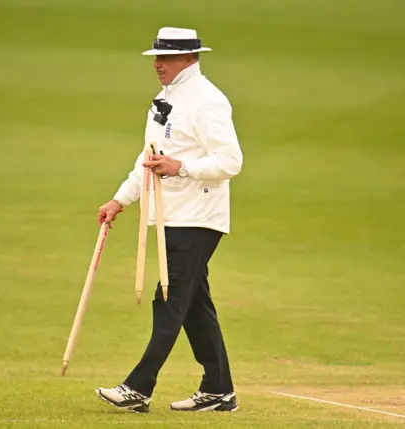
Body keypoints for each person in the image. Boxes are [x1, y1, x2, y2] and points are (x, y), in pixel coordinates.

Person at [95, 27, 243, 413]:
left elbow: (231, 161)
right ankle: (219, 390)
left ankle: (138, 388)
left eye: (168, 58)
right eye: (156, 57)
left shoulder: (208, 101)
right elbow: (149, 157)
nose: (158, 64)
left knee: (168, 300)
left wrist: (182, 167)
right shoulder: (165, 98)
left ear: (190, 59)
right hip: (168, 215)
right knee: (193, 304)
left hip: (197, 216)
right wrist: (120, 199)